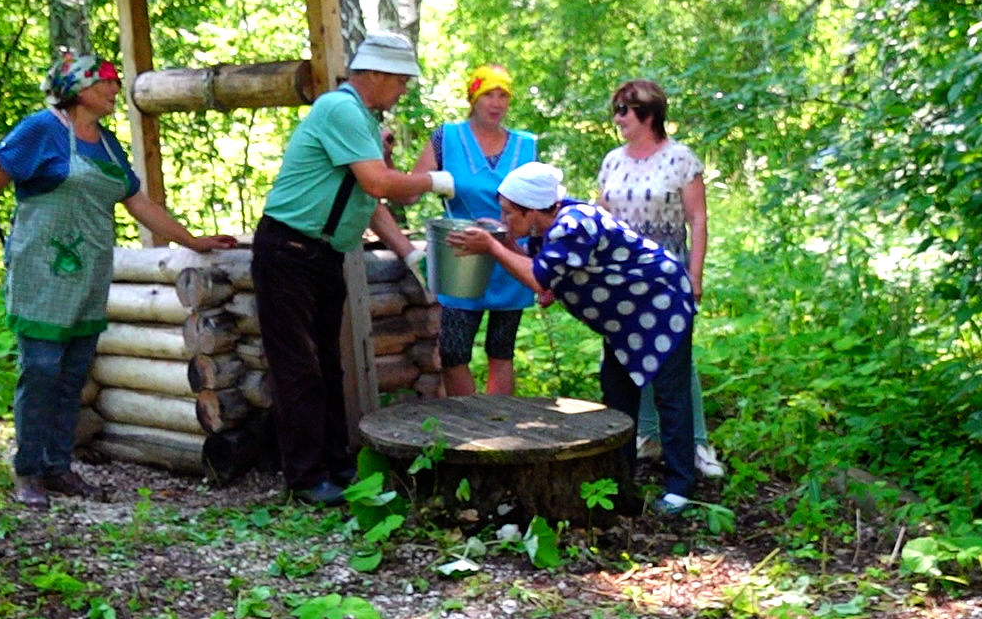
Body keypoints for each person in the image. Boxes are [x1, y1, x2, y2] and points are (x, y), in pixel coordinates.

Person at [0, 52, 238, 508]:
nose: (115, 90)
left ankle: (58, 467)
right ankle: (28, 470)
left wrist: (193, 239)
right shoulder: (39, 131)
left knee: (72, 373)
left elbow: (139, 204)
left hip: (89, 273)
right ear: (79, 88)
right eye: (107, 82)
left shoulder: (106, 144)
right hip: (41, 273)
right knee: (42, 369)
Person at [253, 32, 455, 506]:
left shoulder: (361, 119)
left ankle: (337, 465)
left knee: (327, 363)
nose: (403, 90)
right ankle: (305, 477)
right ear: (378, 74)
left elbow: (367, 199)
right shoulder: (340, 109)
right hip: (288, 249)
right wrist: (435, 179)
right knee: (299, 367)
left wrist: (407, 252)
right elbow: (380, 183)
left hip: (320, 255)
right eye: (400, 81)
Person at [447, 161, 703, 516]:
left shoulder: (574, 224)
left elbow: (539, 278)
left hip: (661, 303)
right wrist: (506, 241)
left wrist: (492, 247)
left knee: (669, 395)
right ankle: (621, 478)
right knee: (617, 393)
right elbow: (545, 270)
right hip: (625, 317)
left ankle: (680, 487)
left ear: (533, 210)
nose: (505, 219)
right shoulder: (551, 223)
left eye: (509, 214)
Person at [597, 79, 723, 479]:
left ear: (648, 115)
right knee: (627, 354)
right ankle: (645, 436)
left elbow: (697, 218)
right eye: (615, 110)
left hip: (666, 275)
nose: (617, 119)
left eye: (624, 111)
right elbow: (601, 216)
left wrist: (695, 274)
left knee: (673, 361)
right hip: (621, 277)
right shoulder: (613, 161)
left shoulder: (680, 159)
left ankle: (696, 443)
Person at [410, 65, 537, 396]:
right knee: (453, 352)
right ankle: (466, 429)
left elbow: (541, 205)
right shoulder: (446, 138)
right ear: (472, 98)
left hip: (510, 256)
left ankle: (500, 429)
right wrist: (383, 160)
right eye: (488, 95)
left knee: (501, 350)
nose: (496, 103)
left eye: (503, 96)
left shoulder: (526, 146)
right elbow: (410, 191)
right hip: (461, 255)